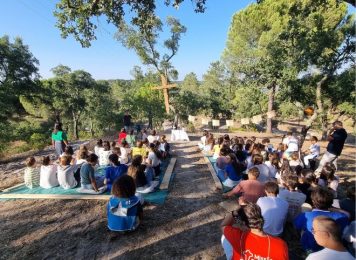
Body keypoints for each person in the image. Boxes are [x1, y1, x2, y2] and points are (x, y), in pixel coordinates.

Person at [221, 203, 289, 260]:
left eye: (237, 221)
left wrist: (233, 213)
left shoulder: (238, 235)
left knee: (224, 237)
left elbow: (223, 225)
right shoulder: (280, 245)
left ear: (244, 223)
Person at [294, 187, 349, 252]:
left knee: (303, 228)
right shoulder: (342, 216)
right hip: (335, 248)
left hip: (312, 248)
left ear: (313, 202)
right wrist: (335, 209)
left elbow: (296, 226)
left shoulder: (305, 215)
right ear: (331, 202)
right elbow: (347, 216)